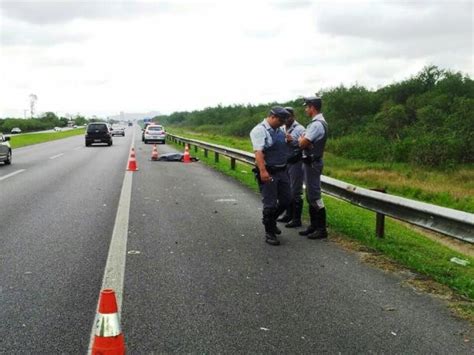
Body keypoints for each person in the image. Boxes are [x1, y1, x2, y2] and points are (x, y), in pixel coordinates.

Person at [250, 106, 292, 246]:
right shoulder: (259, 130)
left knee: (287, 200)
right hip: (269, 171)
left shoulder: (279, 130)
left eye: (284, 121)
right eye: (280, 120)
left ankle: (270, 220)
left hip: (283, 171)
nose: (282, 124)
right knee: (270, 203)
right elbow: (259, 152)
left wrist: (289, 141)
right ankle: (270, 232)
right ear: (272, 116)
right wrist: (263, 171)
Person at [298, 96, 329, 239]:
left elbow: (302, 143)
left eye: (307, 107)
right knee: (310, 195)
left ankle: (321, 229)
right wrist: (305, 141)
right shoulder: (317, 123)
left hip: (312, 163)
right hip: (310, 162)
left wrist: (302, 140)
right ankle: (313, 226)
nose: (305, 109)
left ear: (312, 107)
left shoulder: (316, 125)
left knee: (314, 195)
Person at [276, 107, 305, 228]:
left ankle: (296, 219)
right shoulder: (282, 127)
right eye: (284, 117)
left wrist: (291, 141)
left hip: (296, 162)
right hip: (285, 162)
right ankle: (288, 215)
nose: (286, 119)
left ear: (293, 116)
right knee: (287, 190)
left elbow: (304, 145)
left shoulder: (300, 129)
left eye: (288, 117)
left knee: (295, 190)